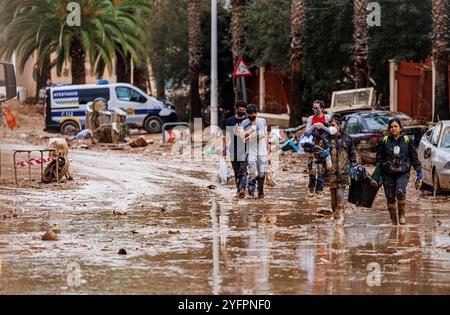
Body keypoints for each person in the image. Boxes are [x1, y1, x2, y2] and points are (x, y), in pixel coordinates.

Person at [376, 118, 423, 225]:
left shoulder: (407, 140)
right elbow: (379, 159)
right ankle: (394, 222)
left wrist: (419, 171)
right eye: (391, 127)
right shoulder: (384, 141)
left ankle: (402, 215)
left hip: (403, 172)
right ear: (389, 129)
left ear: (400, 128)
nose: (393, 128)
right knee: (390, 198)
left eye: (396, 126)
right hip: (387, 173)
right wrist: (377, 175)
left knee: (400, 193)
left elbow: (413, 157)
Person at [320, 114, 356, 225]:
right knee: (333, 199)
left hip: (343, 173)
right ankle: (336, 217)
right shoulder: (325, 139)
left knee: (340, 196)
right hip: (330, 174)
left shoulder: (347, 139)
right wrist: (322, 154)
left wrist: (353, 167)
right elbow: (318, 155)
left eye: (333, 125)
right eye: (329, 125)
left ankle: (341, 219)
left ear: (338, 126)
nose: (331, 127)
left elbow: (353, 155)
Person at [239, 104, 269, 199]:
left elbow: (265, 134)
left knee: (261, 173)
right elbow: (242, 136)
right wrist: (251, 131)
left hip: (262, 150)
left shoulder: (262, 121)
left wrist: (268, 147)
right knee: (251, 172)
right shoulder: (244, 123)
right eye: (251, 114)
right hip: (250, 151)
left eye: (254, 113)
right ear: (247, 114)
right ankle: (251, 192)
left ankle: (260, 192)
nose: (253, 115)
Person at [305, 100, 331, 198]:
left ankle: (319, 191)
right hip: (312, 148)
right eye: (313, 108)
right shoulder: (311, 118)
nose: (315, 109)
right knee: (311, 170)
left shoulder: (327, 118)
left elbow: (331, 131)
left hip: (323, 148)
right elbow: (306, 132)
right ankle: (311, 190)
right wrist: (313, 126)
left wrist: (323, 126)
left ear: (321, 108)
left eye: (317, 108)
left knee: (321, 171)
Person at [225, 100, 248, 198]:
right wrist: (224, 148)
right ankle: (238, 190)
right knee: (236, 171)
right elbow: (227, 135)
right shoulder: (230, 120)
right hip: (233, 149)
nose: (242, 111)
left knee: (243, 170)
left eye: (244, 109)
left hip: (245, 149)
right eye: (240, 109)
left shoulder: (247, 120)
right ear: (236, 109)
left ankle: (242, 189)